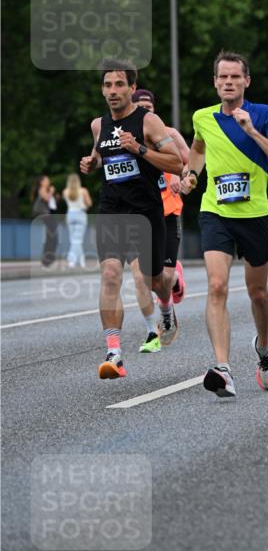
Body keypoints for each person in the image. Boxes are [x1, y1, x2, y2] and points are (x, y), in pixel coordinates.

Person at [181, 51, 268, 398]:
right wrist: (191, 176)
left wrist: (251, 131)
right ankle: (223, 368)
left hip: (254, 215)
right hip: (215, 212)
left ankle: (263, 349)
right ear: (215, 82)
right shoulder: (202, 117)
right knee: (217, 285)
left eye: (235, 77)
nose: (228, 82)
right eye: (222, 77)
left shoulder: (264, 114)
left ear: (246, 81)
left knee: (258, 293)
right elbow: (198, 150)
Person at [80, 62, 183, 379]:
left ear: (131, 88)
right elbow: (101, 155)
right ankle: (114, 353)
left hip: (146, 213)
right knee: (111, 275)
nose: (113, 91)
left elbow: (176, 163)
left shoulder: (148, 122)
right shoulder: (98, 125)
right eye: (107, 85)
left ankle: (165, 306)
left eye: (119, 84)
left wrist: (139, 148)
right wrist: (92, 162)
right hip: (112, 210)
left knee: (155, 280)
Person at [129, 88, 190, 353]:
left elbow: (190, 162)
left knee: (163, 277)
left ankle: (172, 286)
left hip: (167, 212)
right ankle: (155, 326)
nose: (146, 110)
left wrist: (179, 174)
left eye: (149, 107)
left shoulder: (170, 134)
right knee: (144, 277)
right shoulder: (125, 139)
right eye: (140, 106)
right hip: (138, 215)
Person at [62, 173, 92, 268]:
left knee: (73, 240)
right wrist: (84, 206)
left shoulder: (65, 192)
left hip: (70, 214)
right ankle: (75, 260)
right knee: (78, 240)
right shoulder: (83, 191)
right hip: (80, 214)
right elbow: (89, 203)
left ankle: (79, 260)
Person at [31, 175, 60, 267]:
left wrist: (56, 197)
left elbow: (52, 205)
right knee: (52, 237)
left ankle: (47, 260)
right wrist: (51, 191)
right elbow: (46, 198)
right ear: (42, 182)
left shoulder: (46, 190)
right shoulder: (42, 189)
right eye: (47, 180)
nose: (49, 181)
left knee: (51, 237)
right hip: (43, 215)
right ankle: (46, 260)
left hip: (48, 215)